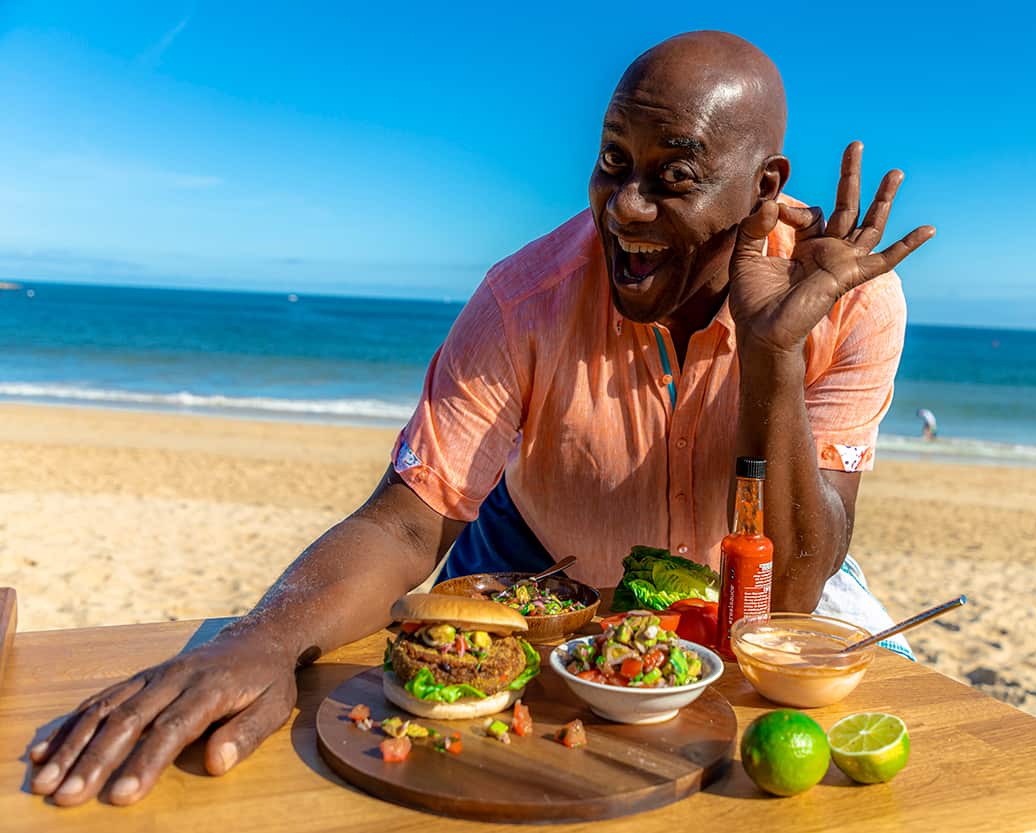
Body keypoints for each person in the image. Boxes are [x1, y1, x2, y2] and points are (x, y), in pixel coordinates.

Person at [27, 30, 934, 807]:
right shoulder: (523, 299)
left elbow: (796, 591)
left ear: (763, 186)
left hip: (751, 571)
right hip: (538, 556)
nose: (626, 205)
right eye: (613, 162)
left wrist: (774, 354)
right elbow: (406, 521)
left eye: (675, 177)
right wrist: (259, 639)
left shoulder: (850, 300)